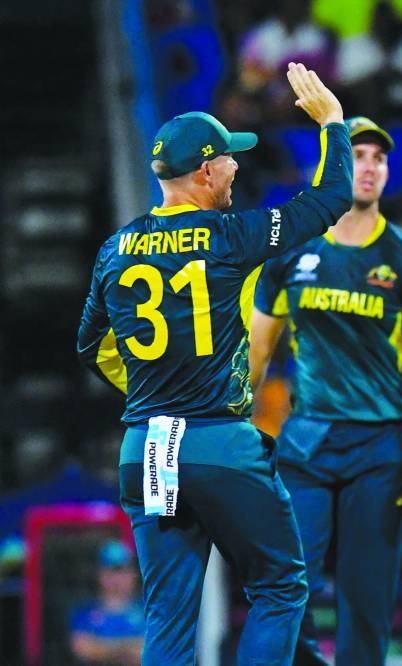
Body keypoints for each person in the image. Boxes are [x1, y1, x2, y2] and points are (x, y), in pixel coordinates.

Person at [76, 62, 353, 665]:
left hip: (146, 446)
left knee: (168, 617)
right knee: (279, 588)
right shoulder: (232, 234)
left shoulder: (114, 248)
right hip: (218, 443)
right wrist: (332, 122)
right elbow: (330, 199)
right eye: (229, 157)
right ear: (205, 170)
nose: (236, 165)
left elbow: (90, 345)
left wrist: (154, 389)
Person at [249, 116, 402, 666]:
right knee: (290, 588)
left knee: (367, 602)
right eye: (357, 154)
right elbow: (257, 355)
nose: (368, 166)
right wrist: (231, 431)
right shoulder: (293, 252)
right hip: (307, 445)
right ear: (331, 166)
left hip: (380, 449)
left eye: (378, 158)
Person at [69, 540, 144, 666]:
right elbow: (82, 649)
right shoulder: (84, 612)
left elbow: (152, 650)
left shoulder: (150, 611)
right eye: (111, 571)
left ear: (134, 574)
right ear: (99, 574)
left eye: (123, 571)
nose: (117, 578)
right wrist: (128, 647)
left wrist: (103, 646)